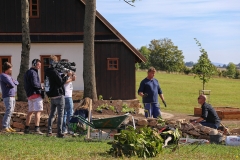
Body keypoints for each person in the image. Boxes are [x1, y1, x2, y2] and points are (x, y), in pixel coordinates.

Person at [45, 55, 72, 138]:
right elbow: (60, 82)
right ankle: (59, 133)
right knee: (61, 114)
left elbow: (54, 81)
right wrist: (67, 76)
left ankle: (49, 131)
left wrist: (63, 75)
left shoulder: (47, 71)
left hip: (51, 95)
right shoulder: (54, 71)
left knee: (52, 114)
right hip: (59, 95)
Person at [24, 59, 44, 135]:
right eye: (38, 65)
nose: (39, 66)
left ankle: (27, 128)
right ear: (35, 64)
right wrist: (41, 88)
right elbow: (35, 83)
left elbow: (26, 84)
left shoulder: (27, 72)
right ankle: (37, 128)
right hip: (36, 94)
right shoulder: (34, 73)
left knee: (30, 112)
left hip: (29, 95)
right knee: (38, 112)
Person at [0, 62, 19, 132]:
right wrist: (12, 83)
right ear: (7, 69)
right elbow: (12, 84)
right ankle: (5, 126)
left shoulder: (9, 76)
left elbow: (17, 82)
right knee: (8, 110)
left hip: (12, 95)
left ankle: (8, 126)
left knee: (11, 111)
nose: (11, 70)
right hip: (7, 96)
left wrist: (12, 83)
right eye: (10, 68)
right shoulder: (3, 76)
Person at [62, 62, 76, 134]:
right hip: (66, 96)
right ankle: (67, 129)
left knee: (67, 113)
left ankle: (66, 129)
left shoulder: (68, 74)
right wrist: (71, 78)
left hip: (68, 96)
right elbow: (64, 82)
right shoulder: (64, 74)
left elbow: (74, 78)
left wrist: (72, 75)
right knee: (69, 113)